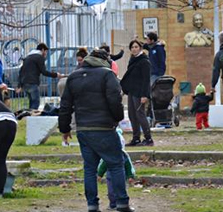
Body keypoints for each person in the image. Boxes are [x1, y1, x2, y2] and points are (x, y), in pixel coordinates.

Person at [59, 49, 135, 212]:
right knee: (115, 164)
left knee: (89, 168)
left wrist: (64, 129)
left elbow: (65, 105)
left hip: (84, 129)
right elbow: (115, 100)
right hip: (105, 128)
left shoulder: (73, 77)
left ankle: (92, 205)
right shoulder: (108, 75)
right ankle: (122, 203)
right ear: (105, 60)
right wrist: (117, 119)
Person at [120, 40, 153, 147]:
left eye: (136, 47)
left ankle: (148, 138)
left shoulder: (144, 61)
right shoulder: (133, 60)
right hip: (132, 91)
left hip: (140, 92)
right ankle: (136, 138)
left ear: (140, 48)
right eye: (132, 47)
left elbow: (146, 80)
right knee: (132, 115)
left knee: (140, 115)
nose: (134, 49)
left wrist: (145, 95)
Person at [97, 128, 136, 211]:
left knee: (122, 190)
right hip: (109, 177)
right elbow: (103, 165)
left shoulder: (124, 155)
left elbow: (128, 166)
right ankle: (113, 204)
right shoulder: (108, 155)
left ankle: (122, 204)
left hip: (122, 176)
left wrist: (130, 176)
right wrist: (99, 174)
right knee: (111, 192)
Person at [16, 43, 63, 110]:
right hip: (32, 83)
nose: (46, 54)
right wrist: (56, 75)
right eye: (46, 52)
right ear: (43, 50)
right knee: (35, 103)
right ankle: (32, 117)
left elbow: (21, 72)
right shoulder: (39, 57)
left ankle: (30, 117)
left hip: (25, 83)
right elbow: (43, 71)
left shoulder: (28, 57)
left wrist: (19, 85)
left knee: (31, 102)